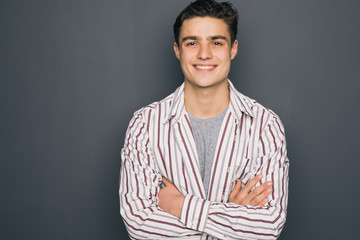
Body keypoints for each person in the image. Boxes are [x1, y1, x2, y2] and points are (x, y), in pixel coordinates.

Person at [119, 0, 289, 239]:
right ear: (177, 50)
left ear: (233, 49)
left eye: (216, 42)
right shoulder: (145, 125)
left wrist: (179, 205)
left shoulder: (265, 125)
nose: (204, 54)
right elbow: (139, 224)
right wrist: (232, 217)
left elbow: (267, 227)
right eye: (192, 43)